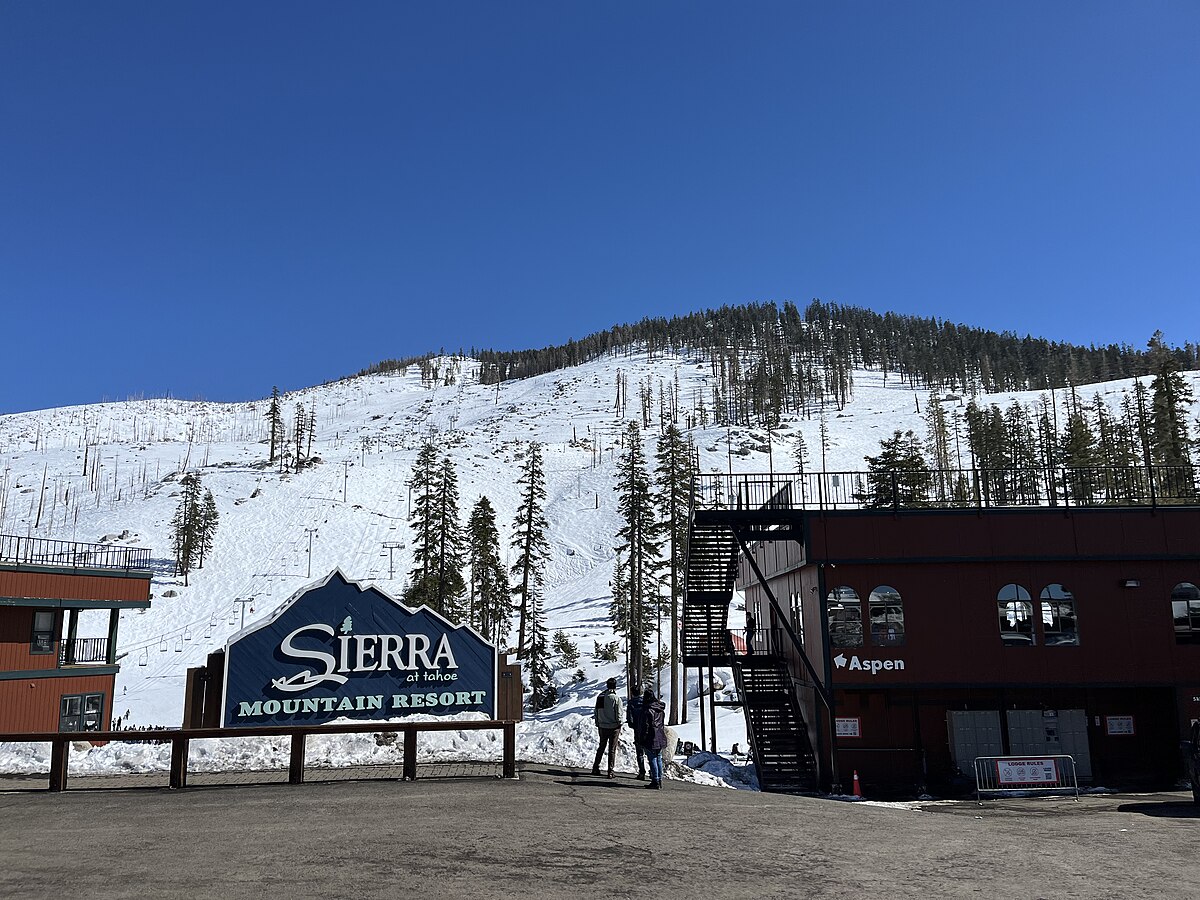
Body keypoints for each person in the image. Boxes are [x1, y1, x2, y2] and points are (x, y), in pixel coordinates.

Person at [591, 677, 623, 778]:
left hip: (602, 726)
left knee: (601, 746)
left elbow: (596, 711)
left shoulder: (600, 697)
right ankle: (610, 771)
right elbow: (619, 714)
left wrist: (598, 722)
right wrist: (619, 723)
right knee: (612, 749)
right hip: (614, 727)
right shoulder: (616, 698)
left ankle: (595, 767)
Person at [636, 686, 668, 789]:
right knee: (658, 757)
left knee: (652, 758)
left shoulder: (647, 710)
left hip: (650, 737)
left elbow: (645, 726)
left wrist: (641, 739)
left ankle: (655, 781)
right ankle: (659, 779)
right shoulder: (660, 709)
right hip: (660, 735)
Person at [625, 684, 648, 780]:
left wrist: (633, 726)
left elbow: (629, 719)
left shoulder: (631, 703)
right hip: (647, 729)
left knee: (639, 753)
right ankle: (653, 773)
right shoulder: (646, 702)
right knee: (650, 752)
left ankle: (642, 772)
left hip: (638, 730)